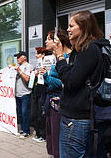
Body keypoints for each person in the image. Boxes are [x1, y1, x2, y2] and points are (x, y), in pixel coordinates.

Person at [54, 10, 104, 157]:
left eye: (71, 26)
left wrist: (59, 57)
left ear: (83, 26)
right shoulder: (81, 50)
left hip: (75, 120)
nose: (68, 29)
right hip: (76, 118)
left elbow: (70, 81)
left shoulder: (88, 49)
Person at [41, 29, 71, 158]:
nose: (46, 41)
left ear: (57, 41)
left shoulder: (67, 58)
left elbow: (65, 82)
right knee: (52, 137)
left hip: (60, 104)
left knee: (58, 138)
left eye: (49, 38)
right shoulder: (54, 58)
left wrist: (47, 77)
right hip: (51, 102)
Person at [11, 51, 33, 139]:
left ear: (25, 57)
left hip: (25, 93)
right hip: (17, 94)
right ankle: (23, 129)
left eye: (19, 56)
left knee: (25, 113)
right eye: (17, 57)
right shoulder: (18, 67)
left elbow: (27, 78)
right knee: (20, 113)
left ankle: (26, 131)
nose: (17, 58)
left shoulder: (28, 66)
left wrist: (19, 71)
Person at [30, 47, 49, 143]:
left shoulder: (47, 65)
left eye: (38, 53)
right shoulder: (36, 66)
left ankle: (43, 135)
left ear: (43, 55)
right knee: (34, 114)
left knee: (41, 115)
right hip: (35, 92)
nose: (36, 55)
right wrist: (33, 74)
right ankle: (38, 133)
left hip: (42, 92)